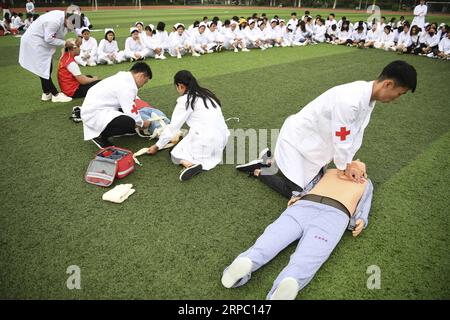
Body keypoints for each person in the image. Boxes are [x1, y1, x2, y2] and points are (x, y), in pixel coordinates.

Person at [236, 61, 417, 199]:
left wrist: (349, 163)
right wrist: (344, 166)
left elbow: (355, 133)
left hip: (312, 142)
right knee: (297, 192)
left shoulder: (367, 97)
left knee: (316, 182)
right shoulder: (351, 100)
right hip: (297, 139)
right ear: (388, 84)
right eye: (399, 93)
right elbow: (343, 136)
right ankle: (260, 169)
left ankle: (269, 159)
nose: (397, 98)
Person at [222, 160, 373, 300]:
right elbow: (363, 201)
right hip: (331, 212)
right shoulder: (344, 176)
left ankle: (253, 262)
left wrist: (361, 219)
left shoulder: (345, 176)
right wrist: (361, 219)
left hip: (314, 207)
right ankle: (288, 278)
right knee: (307, 253)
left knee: (276, 237)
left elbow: (313, 183)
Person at [146, 70, 230, 182]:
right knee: (193, 136)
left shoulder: (185, 100)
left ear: (180, 86)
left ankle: (189, 164)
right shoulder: (207, 94)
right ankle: (200, 157)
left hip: (206, 141)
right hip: (222, 139)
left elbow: (173, 127)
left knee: (174, 154)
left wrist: (157, 146)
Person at [80, 62, 154, 148]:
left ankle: (111, 129)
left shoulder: (123, 78)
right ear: (141, 75)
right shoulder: (128, 85)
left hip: (93, 109)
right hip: (94, 113)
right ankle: (100, 135)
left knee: (131, 119)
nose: (142, 85)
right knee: (129, 122)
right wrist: (141, 124)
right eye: (145, 82)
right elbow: (130, 109)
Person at [19, 6, 80, 103]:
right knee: (44, 69)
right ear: (66, 18)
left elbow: (74, 27)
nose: (69, 29)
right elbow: (49, 39)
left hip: (41, 42)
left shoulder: (67, 17)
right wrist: (65, 43)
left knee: (47, 67)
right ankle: (55, 95)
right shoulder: (54, 21)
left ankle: (46, 93)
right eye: (69, 25)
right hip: (34, 43)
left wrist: (79, 36)